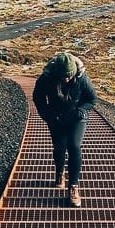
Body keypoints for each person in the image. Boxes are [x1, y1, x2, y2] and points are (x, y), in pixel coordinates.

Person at [32, 52, 97, 207]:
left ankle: (73, 186)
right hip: (56, 117)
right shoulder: (46, 78)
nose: (66, 79)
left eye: (69, 76)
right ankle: (60, 172)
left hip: (76, 117)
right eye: (63, 77)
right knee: (59, 147)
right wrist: (47, 115)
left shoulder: (82, 78)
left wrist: (82, 110)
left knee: (74, 146)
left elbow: (92, 99)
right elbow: (38, 97)